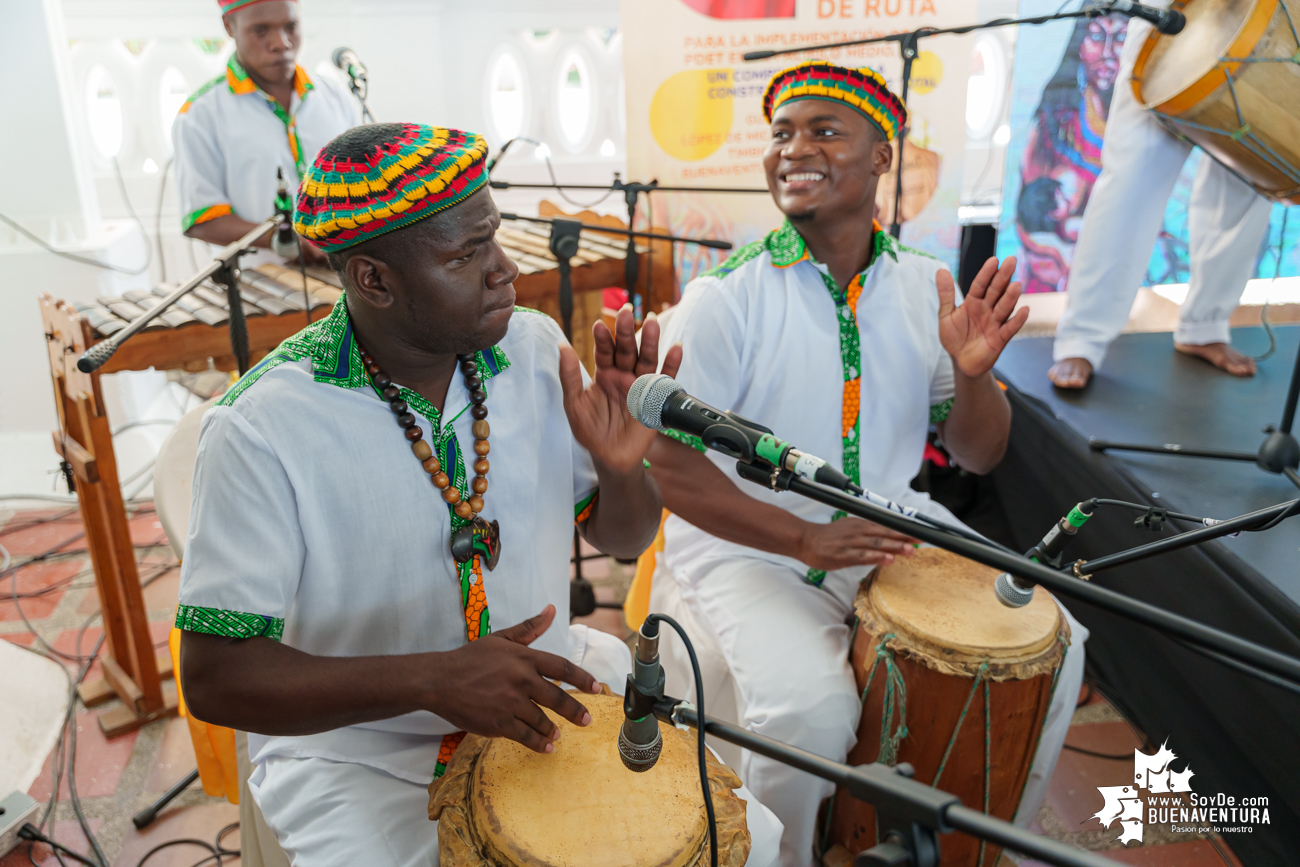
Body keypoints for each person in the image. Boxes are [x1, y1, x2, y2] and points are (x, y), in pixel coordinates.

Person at [174, 123, 782, 865]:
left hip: (546, 704)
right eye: (467, 254)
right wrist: (434, 676)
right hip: (359, 753)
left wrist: (622, 465)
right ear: (373, 279)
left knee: (747, 842)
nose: (504, 271)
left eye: (493, 239)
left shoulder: (532, 349)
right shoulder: (260, 429)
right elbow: (214, 676)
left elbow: (623, 539)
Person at [645, 61, 1087, 865]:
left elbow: (979, 452)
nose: (794, 149)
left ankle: (991, 853)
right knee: (806, 717)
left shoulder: (926, 289)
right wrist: (804, 540)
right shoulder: (726, 298)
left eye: (823, 131)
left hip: (892, 520)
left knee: (1056, 642)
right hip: (747, 548)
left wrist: (976, 376)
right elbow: (667, 470)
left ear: (882, 158)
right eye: (781, 133)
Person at [1047, 14, 1273, 388]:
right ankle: (1082, 337)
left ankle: (1205, 325)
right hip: (1175, 12)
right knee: (1132, 178)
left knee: (1245, 179)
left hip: (1267, 18)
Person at [172, 0, 358, 266]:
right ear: (229, 26)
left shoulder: (335, 96)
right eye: (260, 30)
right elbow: (202, 220)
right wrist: (285, 239)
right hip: (262, 286)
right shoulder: (199, 116)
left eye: (290, 26)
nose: (281, 43)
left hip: (344, 275)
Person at [1015, 14, 1126, 294]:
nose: (1108, 53)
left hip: (1123, 275)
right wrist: (1062, 256)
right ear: (1079, 42)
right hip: (1055, 284)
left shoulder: (1143, 116)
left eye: (1122, 38)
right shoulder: (1055, 118)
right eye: (1098, 37)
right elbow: (1028, 221)